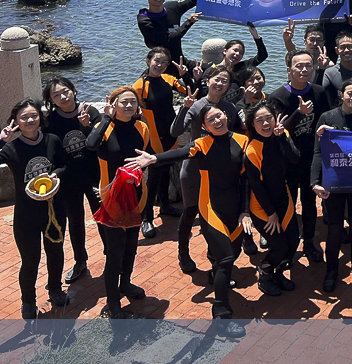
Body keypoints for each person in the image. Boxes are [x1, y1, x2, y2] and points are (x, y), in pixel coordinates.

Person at [128, 104, 252, 338]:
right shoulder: (203, 145)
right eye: (210, 119)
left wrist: (245, 211)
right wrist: (154, 158)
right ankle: (222, 314)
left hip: (234, 209)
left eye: (219, 116)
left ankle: (215, 273)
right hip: (210, 208)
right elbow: (180, 152)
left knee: (231, 255)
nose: (217, 121)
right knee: (227, 258)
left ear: (226, 116)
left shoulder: (242, 141)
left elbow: (245, 181)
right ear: (204, 126)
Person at [0, 99, 69, 319]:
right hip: (26, 214)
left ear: (40, 117)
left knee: (55, 252)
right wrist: (1, 140)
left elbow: (64, 164)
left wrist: (56, 174)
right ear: (16, 121)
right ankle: (28, 301)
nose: (30, 120)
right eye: (24, 117)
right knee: (30, 260)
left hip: (53, 209)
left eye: (33, 116)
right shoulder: (11, 148)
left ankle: (55, 289)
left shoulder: (51, 140)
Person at [85, 87, 152, 319]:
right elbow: (91, 144)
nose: (128, 106)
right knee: (115, 251)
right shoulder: (105, 127)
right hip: (110, 197)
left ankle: (126, 283)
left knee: (131, 245)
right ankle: (113, 300)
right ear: (113, 104)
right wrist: (105, 117)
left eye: (132, 102)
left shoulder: (142, 127)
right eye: (123, 102)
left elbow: (148, 155)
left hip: (136, 194)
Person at [171, 66, 245, 272]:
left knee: (217, 213)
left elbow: (239, 133)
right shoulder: (196, 106)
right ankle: (183, 252)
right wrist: (185, 108)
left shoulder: (229, 108)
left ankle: (215, 257)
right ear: (207, 80)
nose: (220, 84)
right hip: (194, 168)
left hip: (219, 170)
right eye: (217, 79)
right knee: (191, 210)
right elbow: (175, 131)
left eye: (225, 81)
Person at [268, 50, 331, 264]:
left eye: (308, 66)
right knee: (288, 203)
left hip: (311, 157)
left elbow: (325, 121)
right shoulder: (278, 96)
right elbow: (277, 130)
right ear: (289, 70)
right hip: (287, 160)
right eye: (299, 66)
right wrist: (299, 113)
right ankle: (287, 243)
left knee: (309, 202)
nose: (304, 70)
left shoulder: (320, 92)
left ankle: (309, 241)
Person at [313, 80, 352, 292]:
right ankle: (331, 270)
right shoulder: (326, 117)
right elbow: (318, 152)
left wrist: (337, 131)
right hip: (334, 182)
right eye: (349, 93)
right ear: (341, 94)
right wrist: (315, 181)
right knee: (335, 228)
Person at [42, 76, 103, 285]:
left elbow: (97, 143)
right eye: (56, 95)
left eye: (65, 91)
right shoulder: (50, 122)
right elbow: (49, 151)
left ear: (73, 90)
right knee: (75, 221)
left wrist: (87, 127)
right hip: (68, 178)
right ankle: (80, 261)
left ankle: (112, 256)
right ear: (51, 100)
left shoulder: (91, 111)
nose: (62, 97)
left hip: (94, 174)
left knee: (103, 216)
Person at [243, 102, 301, 296]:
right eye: (260, 120)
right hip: (262, 206)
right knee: (279, 245)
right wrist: (271, 214)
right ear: (252, 124)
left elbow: (295, 159)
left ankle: (278, 273)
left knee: (293, 241)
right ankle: (265, 273)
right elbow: (257, 187)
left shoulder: (281, 136)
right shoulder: (252, 150)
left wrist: (281, 137)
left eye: (268, 118)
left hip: (284, 198)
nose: (265, 123)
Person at [132, 47, 191, 239]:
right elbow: (131, 111)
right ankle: (146, 217)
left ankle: (165, 206)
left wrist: (186, 75)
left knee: (166, 169)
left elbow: (190, 92)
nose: (160, 65)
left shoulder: (168, 79)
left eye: (164, 63)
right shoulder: (139, 86)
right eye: (157, 61)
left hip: (170, 132)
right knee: (155, 174)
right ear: (148, 60)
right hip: (154, 136)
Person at [136, 0, 204, 69]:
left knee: (212, 68)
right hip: (161, 68)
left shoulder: (172, 8)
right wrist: (189, 22)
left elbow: (192, 0)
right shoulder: (145, 21)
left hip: (181, 62)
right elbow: (168, 40)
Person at [320, 30, 352, 106]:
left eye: (350, 47)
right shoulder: (330, 73)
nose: (346, 50)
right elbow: (319, 93)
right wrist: (321, 70)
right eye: (342, 47)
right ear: (337, 50)